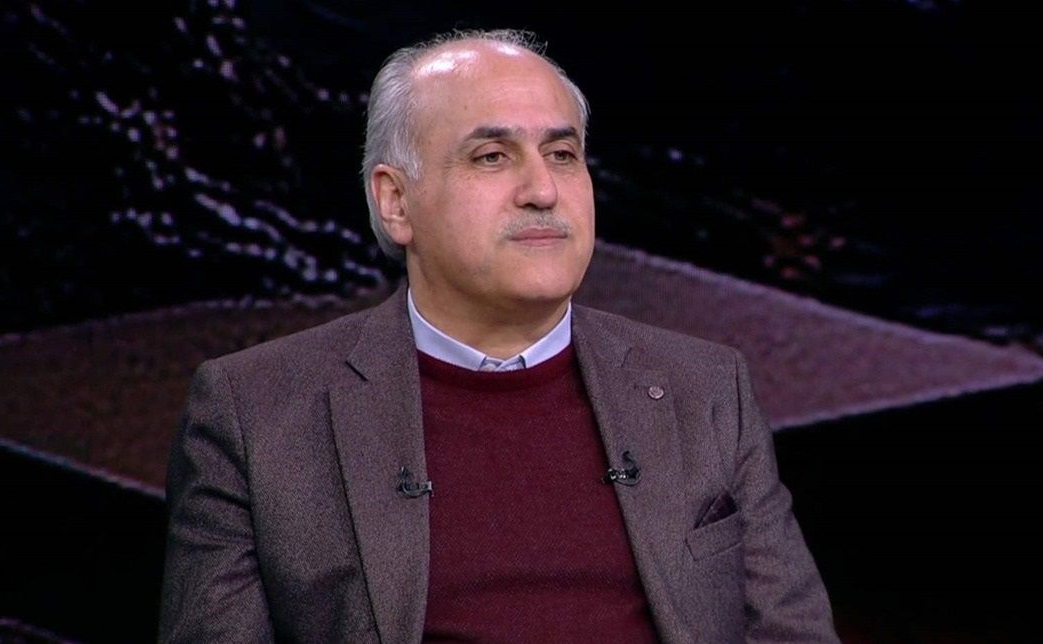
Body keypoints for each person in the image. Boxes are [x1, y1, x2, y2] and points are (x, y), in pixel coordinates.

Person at [159, 28, 838, 643]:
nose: (542, 189)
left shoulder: (707, 388)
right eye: (491, 156)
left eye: (563, 154)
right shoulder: (253, 412)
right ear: (396, 202)